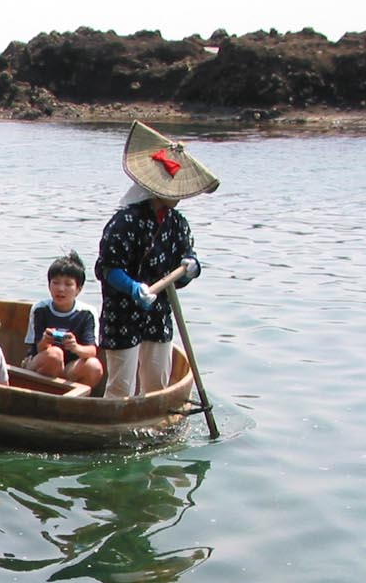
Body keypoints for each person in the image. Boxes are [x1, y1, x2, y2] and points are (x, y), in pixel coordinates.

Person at [96, 121, 219, 398]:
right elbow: (108, 268)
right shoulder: (124, 221)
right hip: (123, 312)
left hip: (159, 311)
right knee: (121, 387)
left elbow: (184, 260)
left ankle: (153, 418)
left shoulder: (178, 224)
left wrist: (190, 268)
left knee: (157, 384)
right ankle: (116, 420)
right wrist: (133, 288)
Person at [23, 251, 102, 389]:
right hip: (42, 363)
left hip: (70, 368)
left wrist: (75, 347)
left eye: (68, 284)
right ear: (49, 285)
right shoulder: (40, 309)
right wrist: (45, 341)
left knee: (94, 366)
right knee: (55, 355)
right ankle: (45, 391)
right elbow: (37, 348)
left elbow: (91, 350)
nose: (60, 289)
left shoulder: (87, 313)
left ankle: (70, 398)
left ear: (78, 289)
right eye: (56, 283)